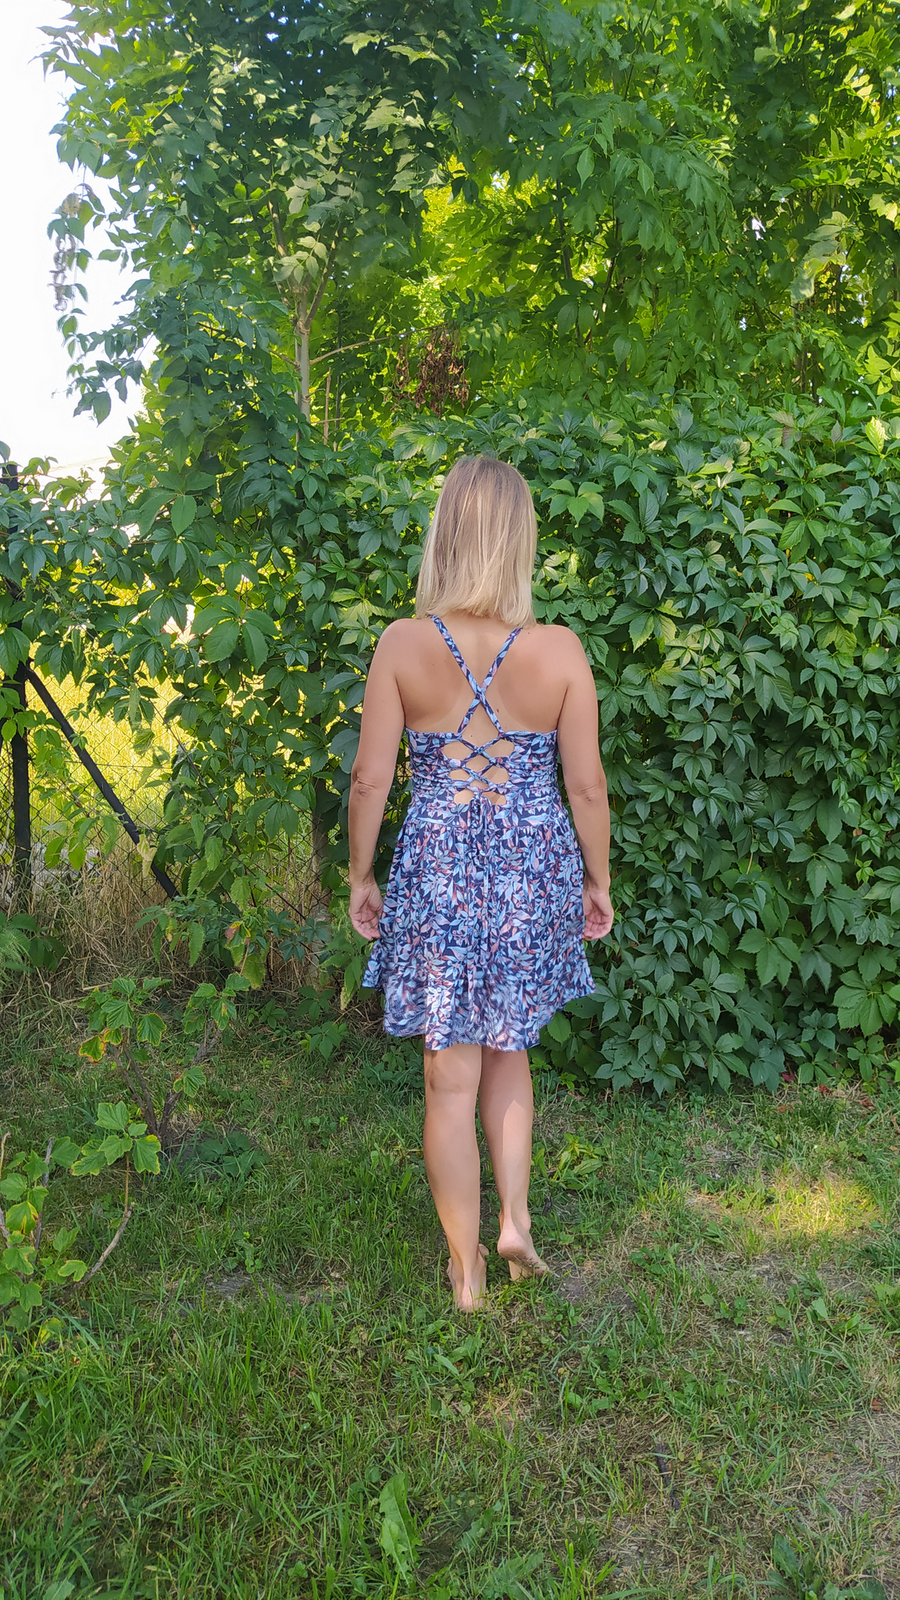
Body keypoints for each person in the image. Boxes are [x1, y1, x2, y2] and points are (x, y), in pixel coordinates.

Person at [347, 455, 614, 1312]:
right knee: (511, 1048)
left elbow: (370, 779)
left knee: (449, 1075)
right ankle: (515, 1221)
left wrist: (360, 873)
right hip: (533, 867)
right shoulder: (560, 650)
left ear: (446, 535)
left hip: (440, 868)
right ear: (519, 540)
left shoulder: (403, 644)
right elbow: (586, 788)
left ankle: (465, 1273)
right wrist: (598, 880)